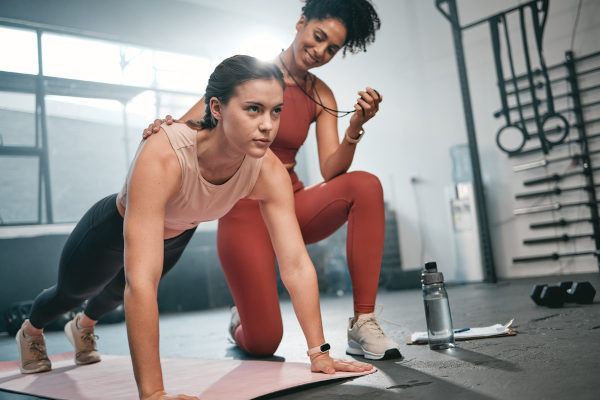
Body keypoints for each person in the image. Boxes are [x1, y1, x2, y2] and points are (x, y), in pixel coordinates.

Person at [16, 55, 372, 400]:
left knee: (110, 299)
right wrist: (153, 392)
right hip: (111, 228)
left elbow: (295, 265)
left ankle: (83, 328)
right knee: (72, 294)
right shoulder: (165, 154)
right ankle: (31, 331)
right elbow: (142, 285)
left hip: (176, 234)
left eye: (275, 110)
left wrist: (319, 353)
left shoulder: (268, 170)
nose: (268, 124)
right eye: (253, 109)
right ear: (216, 109)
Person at [145, 0, 401, 361]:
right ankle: (241, 319)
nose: (320, 51)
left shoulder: (321, 94)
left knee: (366, 185)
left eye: (332, 49)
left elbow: (331, 170)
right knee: (264, 342)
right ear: (300, 23)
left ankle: (363, 321)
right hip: (243, 211)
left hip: (291, 203)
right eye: (318, 37)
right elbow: (194, 125)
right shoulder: (252, 74)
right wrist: (162, 128)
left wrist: (355, 128)